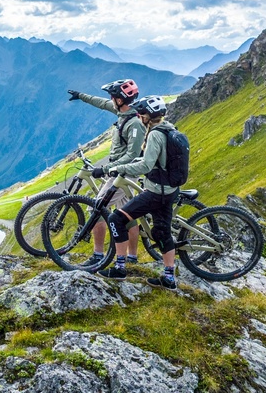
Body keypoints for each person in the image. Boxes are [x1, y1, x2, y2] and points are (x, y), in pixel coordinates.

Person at [98, 95, 181, 289]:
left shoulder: (154, 134)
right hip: (169, 190)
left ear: (147, 115)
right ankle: (169, 279)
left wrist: (121, 169)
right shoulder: (171, 129)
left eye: (141, 112)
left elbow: (146, 165)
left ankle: (119, 267)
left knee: (116, 219)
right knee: (162, 232)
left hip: (155, 192)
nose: (139, 115)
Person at [67, 79, 145, 265]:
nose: (110, 98)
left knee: (97, 208)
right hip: (119, 172)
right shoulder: (122, 112)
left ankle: (97, 255)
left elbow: (133, 155)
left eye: (114, 96)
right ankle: (132, 258)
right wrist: (81, 96)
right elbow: (100, 103)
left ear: (122, 99)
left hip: (123, 173)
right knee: (127, 214)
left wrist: (106, 169)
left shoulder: (135, 123)